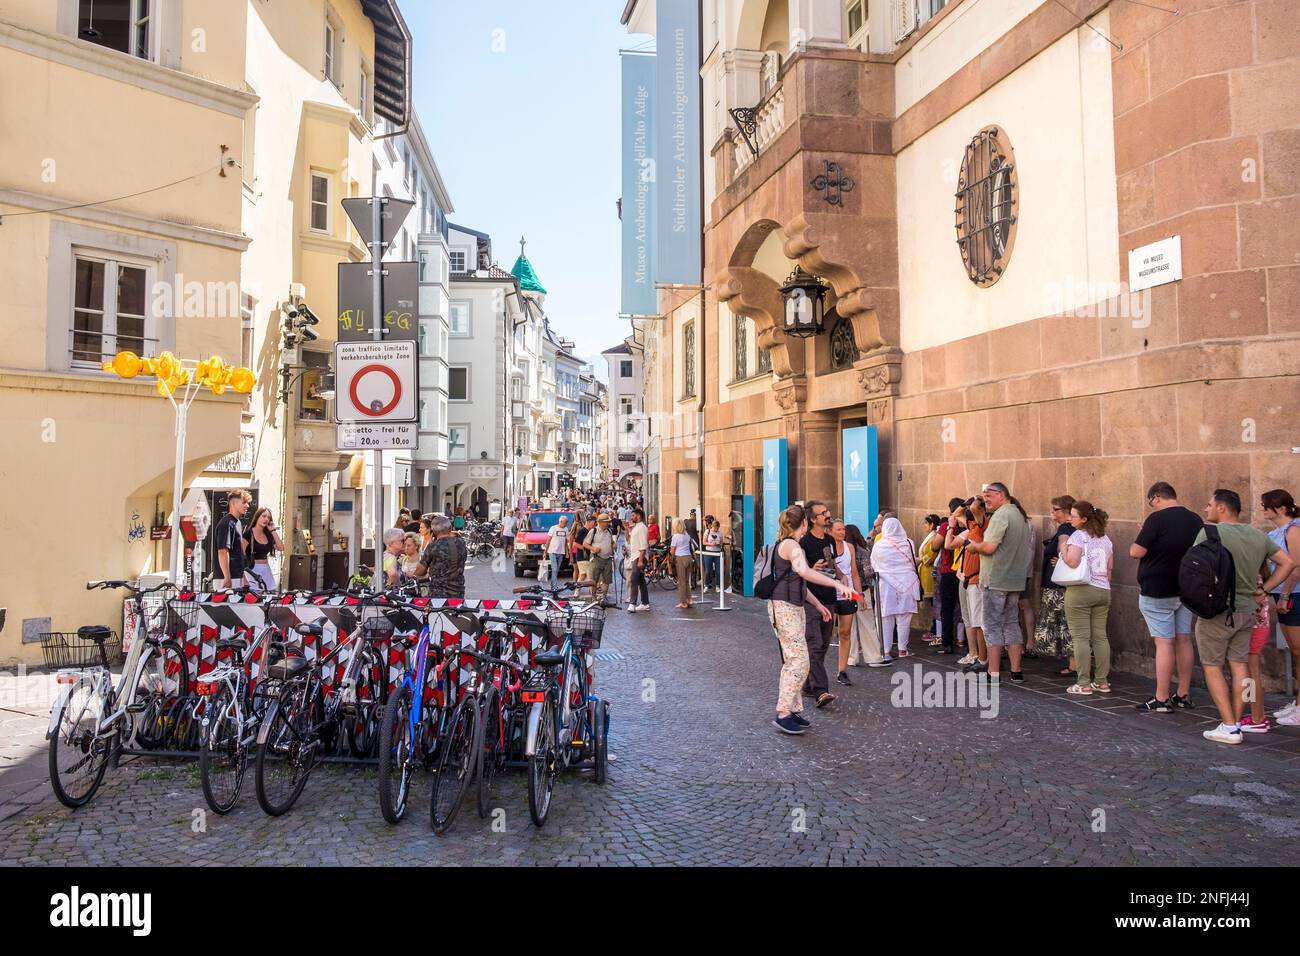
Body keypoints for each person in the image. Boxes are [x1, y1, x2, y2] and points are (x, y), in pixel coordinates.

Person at [1194, 489, 1294, 745]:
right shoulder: (1256, 535)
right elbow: (1287, 562)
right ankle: (1240, 721)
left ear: (1222, 508)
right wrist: (1264, 589)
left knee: (1213, 666)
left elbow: (1194, 567)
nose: (1207, 509)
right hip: (1248, 611)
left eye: (1209, 504)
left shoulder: (1210, 532)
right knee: (1243, 667)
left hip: (1217, 610)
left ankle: (1229, 725)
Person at [765, 504, 856, 735]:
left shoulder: (787, 544)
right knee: (798, 661)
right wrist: (836, 583)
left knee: (795, 659)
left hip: (791, 606)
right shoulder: (792, 545)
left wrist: (817, 605)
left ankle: (793, 709)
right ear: (804, 523)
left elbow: (799, 583)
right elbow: (805, 573)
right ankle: (784, 712)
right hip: (784, 608)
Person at [1130, 482, 1204, 713]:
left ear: (1157, 498)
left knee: (1164, 643)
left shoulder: (1156, 519)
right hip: (1185, 587)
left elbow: (1136, 551)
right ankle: (1182, 693)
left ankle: (1161, 698)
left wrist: (1143, 532)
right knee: (1183, 639)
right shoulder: (1195, 519)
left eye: (1151, 502)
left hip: (1158, 588)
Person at [962, 482, 1030, 683]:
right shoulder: (1019, 514)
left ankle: (993, 673)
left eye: (988, 497)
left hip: (996, 578)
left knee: (991, 625)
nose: (986, 501)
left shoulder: (1001, 515)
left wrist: (974, 546)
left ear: (1001, 494)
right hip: (1014, 580)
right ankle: (1016, 671)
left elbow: (989, 547)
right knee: (1011, 624)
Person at [1060, 500, 1114, 695]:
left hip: (1081, 590)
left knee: (1080, 638)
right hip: (1103, 590)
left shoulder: (1077, 536)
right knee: (1100, 637)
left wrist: (1063, 549)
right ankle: (1102, 681)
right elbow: (1109, 569)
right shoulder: (1105, 539)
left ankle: (1083, 683)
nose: (1070, 518)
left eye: (1073, 515)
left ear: (1083, 519)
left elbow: (1073, 562)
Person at [1263, 489, 1300, 726]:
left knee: (1299, 652)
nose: (1263, 509)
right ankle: (1298, 702)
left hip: (1295, 595)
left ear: (1281, 508)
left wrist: (1285, 594)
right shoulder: (1278, 532)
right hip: (1283, 595)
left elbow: (1296, 565)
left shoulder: (1293, 529)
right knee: (1295, 652)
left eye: (1266, 505)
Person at [800, 500, 839, 708]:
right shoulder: (803, 543)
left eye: (827, 511)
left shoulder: (830, 540)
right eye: (823, 513)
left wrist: (843, 584)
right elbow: (800, 571)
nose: (828, 514)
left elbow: (833, 566)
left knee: (823, 645)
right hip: (811, 600)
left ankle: (807, 684)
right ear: (813, 520)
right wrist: (811, 568)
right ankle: (821, 691)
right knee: (814, 644)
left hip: (829, 597)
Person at [1034, 496, 1077, 675]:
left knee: (1065, 624)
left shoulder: (1066, 527)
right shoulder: (1072, 527)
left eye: (1055, 510)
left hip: (1059, 587)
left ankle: (1074, 664)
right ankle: (1074, 663)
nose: (1052, 514)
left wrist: (1061, 558)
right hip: (1060, 584)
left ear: (1066, 510)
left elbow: (1063, 546)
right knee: (1065, 624)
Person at [872, 517, 921, 661]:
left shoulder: (879, 545)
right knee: (904, 618)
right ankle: (902, 649)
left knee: (886, 618)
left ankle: (886, 651)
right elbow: (912, 562)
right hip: (908, 584)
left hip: (886, 586)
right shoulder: (909, 543)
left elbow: (874, 565)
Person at [950, 495, 988, 673]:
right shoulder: (971, 528)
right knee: (975, 621)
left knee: (979, 623)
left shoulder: (982, 525)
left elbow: (971, 511)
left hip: (977, 579)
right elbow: (956, 514)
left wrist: (978, 499)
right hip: (969, 579)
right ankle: (982, 657)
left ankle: (983, 658)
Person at [844, 524, 887, 667]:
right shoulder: (862, 551)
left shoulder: (842, 551)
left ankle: (851, 658)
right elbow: (868, 573)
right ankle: (873, 657)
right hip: (861, 591)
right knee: (868, 625)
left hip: (846, 592)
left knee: (849, 627)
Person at [829, 520, 862, 685]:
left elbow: (854, 573)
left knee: (845, 633)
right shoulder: (827, 548)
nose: (842, 532)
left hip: (847, 595)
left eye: (843, 529)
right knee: (825, 634)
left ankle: (842, 671)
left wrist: (859, 594)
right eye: (838, 529)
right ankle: (815, 669)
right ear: (830, 531)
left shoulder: (849, 547)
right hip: (830, 594)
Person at [934, 497, 965, 655]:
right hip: (966, 571)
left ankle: (947, 642)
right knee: (966, 608)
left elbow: (935, 546)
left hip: (948, 571)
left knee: (947, 607)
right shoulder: (968, 526)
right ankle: (963, 640)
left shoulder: (947, 525)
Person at [415, 514, 468, 600]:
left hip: (438, 593)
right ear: (450, 528)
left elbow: (420, 571)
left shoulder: (433, 546)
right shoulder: (461, 543)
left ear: (433, 531)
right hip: (458, 592)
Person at [214, 489, 251, 590]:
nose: (247, 505)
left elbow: (237, 552)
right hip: (226, 577)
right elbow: (222, 551)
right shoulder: (226, 523)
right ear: (234, 503)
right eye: (244, 502)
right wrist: (227, 577)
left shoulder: (237, 523)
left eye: (248, 503)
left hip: (235, 576)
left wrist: (242, 576)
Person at [243, 507, 284, 592]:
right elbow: (240, 554)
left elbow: (280, 547)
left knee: (270, 597)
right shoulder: (248, 534)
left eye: (268, 517)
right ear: (257, 517)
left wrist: (273, 530)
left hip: (266, 569)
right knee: (255, 597)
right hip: (252, 570)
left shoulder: (268, 534)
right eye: (264, 516)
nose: (266, 519)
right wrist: (243, 577)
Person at [916, 515, 941, 645]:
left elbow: (932, 554)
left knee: (934, 603)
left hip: (930, 572)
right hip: (925, 571)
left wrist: (921, 560)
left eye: (926, 523)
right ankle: (934, 628)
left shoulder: (934, 537)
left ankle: (935, 630)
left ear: (932, 525)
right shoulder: (931, 536)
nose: (924, 526)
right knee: (932, 603)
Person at [585, 514, 616, 607]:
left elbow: (611, 543)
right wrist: (593, 548)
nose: (608, 524)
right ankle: (593, 598)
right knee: (594, 580)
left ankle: (604, 598)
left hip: (608, 558)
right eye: (606, 522)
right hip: (596, 558)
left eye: (608, 522)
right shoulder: (593, 531)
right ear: (600, 523)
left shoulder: (609, 531)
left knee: (607, 580)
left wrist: (613, 545)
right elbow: (585, 544)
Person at [626, 508, 650, 612]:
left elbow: (643, 545)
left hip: (639, 557)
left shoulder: (642, 528)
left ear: (638, 516)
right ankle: (645, 603)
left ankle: (632, 603)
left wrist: (640, 560)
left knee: (634, 579)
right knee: (641, 580)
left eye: (633, 515)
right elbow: (632, 541)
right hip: (635, 556)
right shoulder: (637, 527)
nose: (631, 517)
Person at [670, 518, 695, 609]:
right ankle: (689, 599)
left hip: (680, 558)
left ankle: (683, 602)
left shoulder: (675, 536)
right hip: (688, 557)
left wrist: (671, 556)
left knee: (681, 581)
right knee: (687, 581)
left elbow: (672, 550)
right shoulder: (686, 535)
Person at [544, 515, 570, 591]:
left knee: (556, 570)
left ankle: (552, 585)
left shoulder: (566, 529)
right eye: (564, 523)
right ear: (560, 521)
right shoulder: (553, 528)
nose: (565, 524)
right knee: (554, 569)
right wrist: (545, 551)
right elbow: (548, 540)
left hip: (561, 552)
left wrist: (567, 552)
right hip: (552, 551)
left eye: (566, 523)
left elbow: (565, 541)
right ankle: (554, 587)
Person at [702, 518, 723, 592]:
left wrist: (719, 544)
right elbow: (704, 542)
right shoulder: (707, 532)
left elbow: (721, 543)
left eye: (717, 528)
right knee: (708, 570)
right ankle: (706, 585)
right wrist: (711, 544)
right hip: (708, 552)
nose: (716, 529)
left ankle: (718, 586)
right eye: (715, 528)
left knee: (718, 570)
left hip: (717, 552)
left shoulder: (720, 533)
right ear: (712, 526)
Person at [574, 515, 595, 582]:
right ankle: (591, 591)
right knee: (587, 576)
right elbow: (576, 544)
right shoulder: (583, 531)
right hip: (582, 557)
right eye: (594, 523)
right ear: (588, 522)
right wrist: (585, 548)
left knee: (584, 575)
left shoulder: (589, 531)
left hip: (586, 557)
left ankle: (577, 591)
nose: (595, 525)